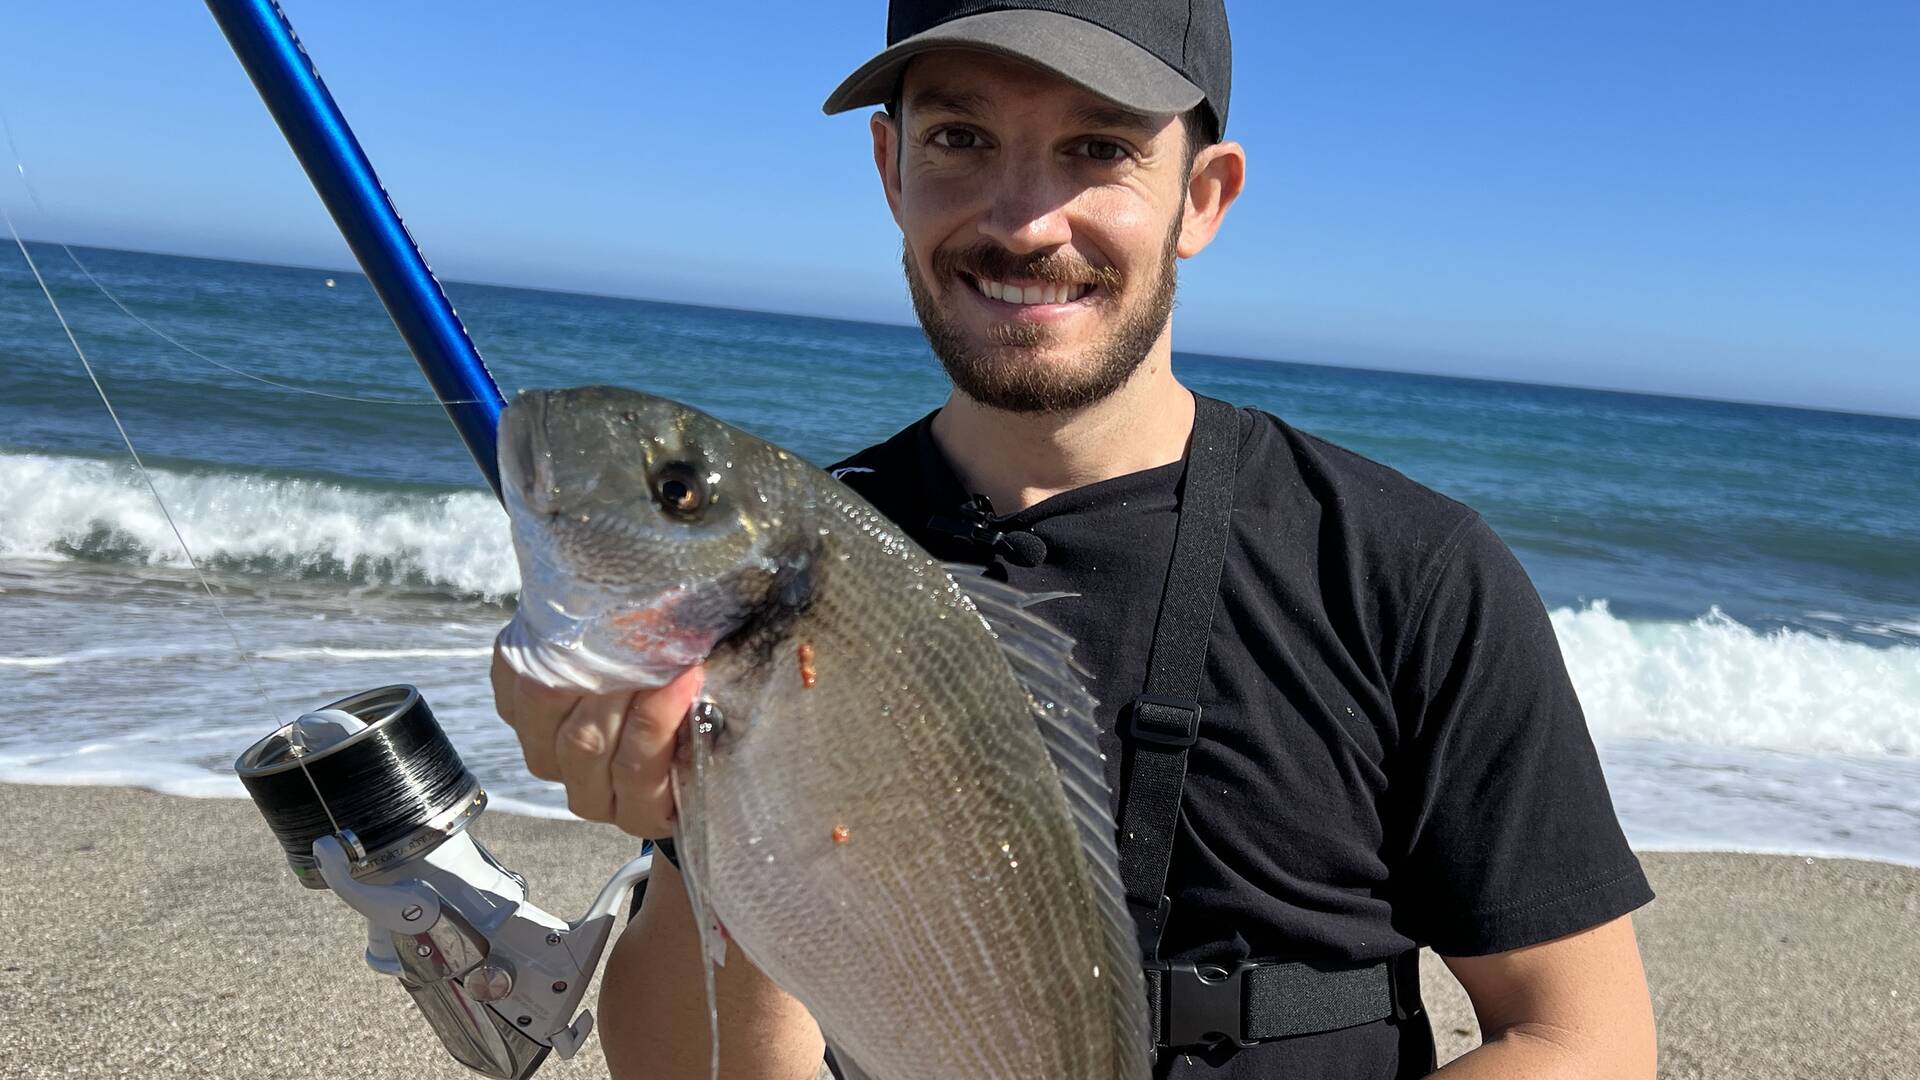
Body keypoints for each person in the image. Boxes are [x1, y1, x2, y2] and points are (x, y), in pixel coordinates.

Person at [490, 1, 1659, 1076]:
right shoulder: (791, 569)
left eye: (1100, 148)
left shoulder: (1406, 568)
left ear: (1203, 196)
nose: (1023, 219)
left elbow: (1586, 1036)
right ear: (892, 169)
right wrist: (700, 835)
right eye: (960, 138)